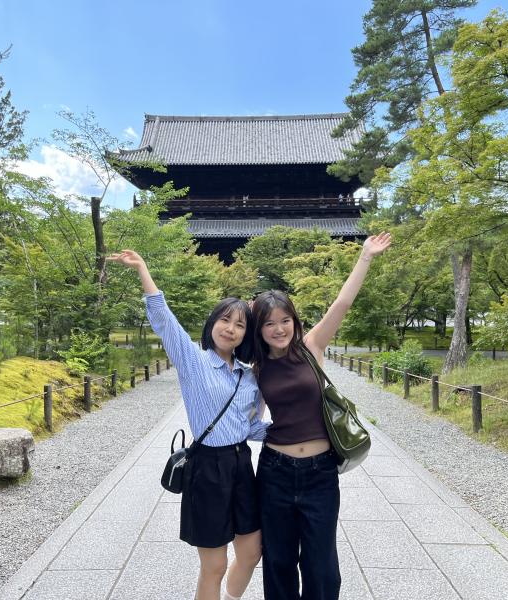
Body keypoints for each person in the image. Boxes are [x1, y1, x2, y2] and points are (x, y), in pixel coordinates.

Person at [107, 250, 267, 600]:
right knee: (214, 565)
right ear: (212, 324)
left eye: (240, 324)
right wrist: (142, 268)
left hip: (242, 465)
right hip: (208, 469)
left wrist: (296, 433)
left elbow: (253, 426)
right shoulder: (193, 362)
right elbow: (164, 321)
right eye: (225, 320)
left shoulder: (248, 376)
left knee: (253, 552)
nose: (231, 329)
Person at [250, 232, 392, 600]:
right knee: (278, 561)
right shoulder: (257, 368)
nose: (279, 329)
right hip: (275, 472)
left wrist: (365, 257)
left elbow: (342, 304)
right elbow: (247, 418)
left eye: (285, 320)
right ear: (259, 330)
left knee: (322, 565)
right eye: (269, 324)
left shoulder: (311, 347)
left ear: (294, 321)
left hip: (320, 474)